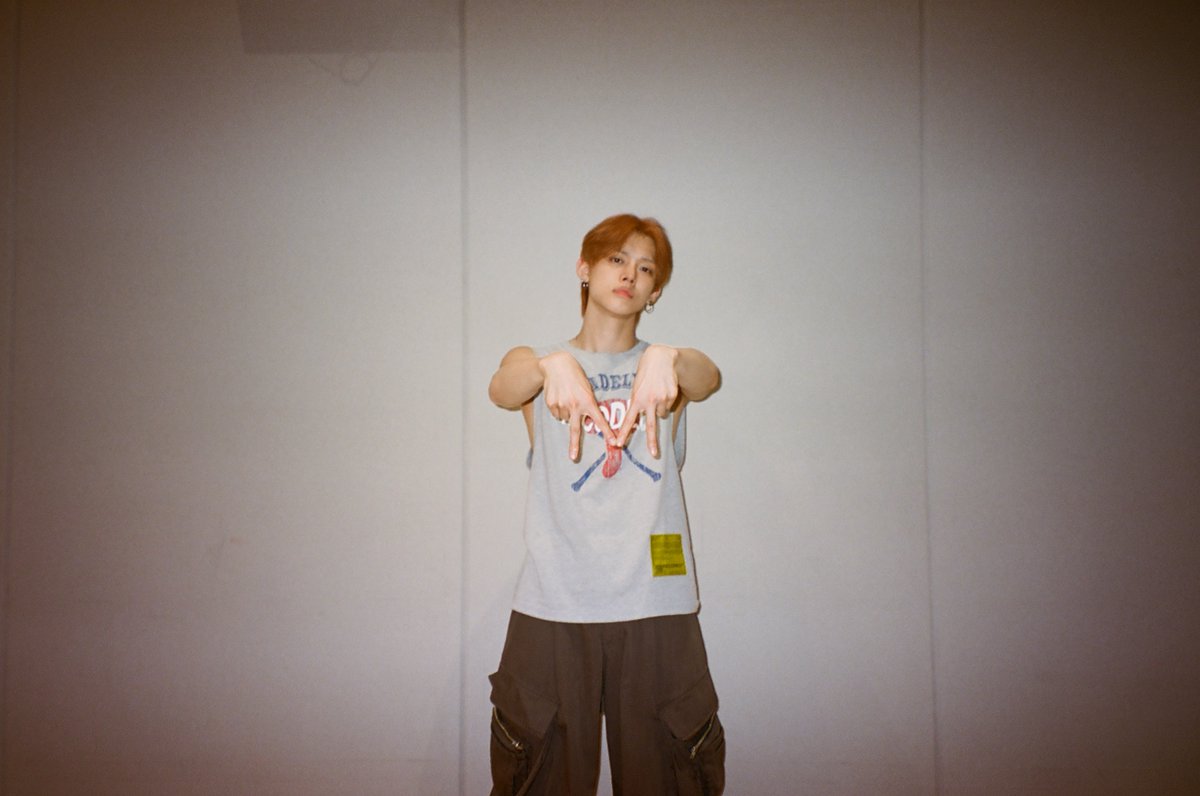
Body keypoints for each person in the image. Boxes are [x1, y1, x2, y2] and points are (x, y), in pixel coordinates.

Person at [486, 214, 725, 795]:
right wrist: (551, 365)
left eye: (646, 268)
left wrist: (668, 357)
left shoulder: (668, 370)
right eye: (617, 259)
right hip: (554, 600)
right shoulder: (540, 366)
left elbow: (709, 378)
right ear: (584, 268)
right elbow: (502, 387)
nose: (630, 275)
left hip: (656, 599)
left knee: (670, 777)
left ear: (655, 291)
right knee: (539, 775)